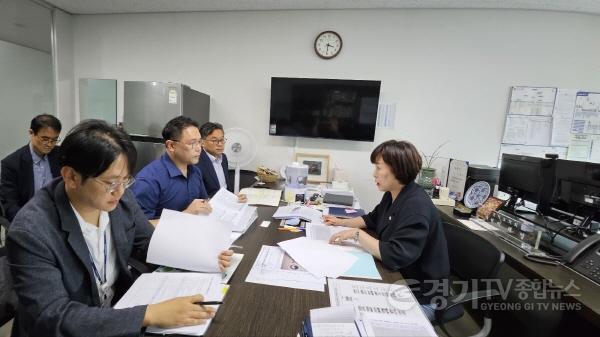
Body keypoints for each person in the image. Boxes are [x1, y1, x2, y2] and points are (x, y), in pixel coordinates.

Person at [6, 120, 232, 337]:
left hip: (117, 308)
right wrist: (149, 314)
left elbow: (148, 243)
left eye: (126, 180)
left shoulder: (118, 200)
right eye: (111, 182)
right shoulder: (31, 231)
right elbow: (54, 317)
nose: (121, 192)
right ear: (71, 177)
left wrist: (203, 257)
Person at [325, 140, 450, 320]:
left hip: (421, 297)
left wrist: (356, 234)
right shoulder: (394, 194)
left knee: (356, 316)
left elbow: (395, 255)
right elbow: (372, 219)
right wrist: (341, 222)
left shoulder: (416, 207)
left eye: (378, 167)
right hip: (400, 281)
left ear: (397, 169)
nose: (374, 174)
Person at [132, 117, 213, 224]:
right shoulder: (148, 180)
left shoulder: (195, 171)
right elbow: (138, 228)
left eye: (199, 142)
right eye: (192, 143)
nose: (199, 148)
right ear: (171, 146)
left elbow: (204, 201)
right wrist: (186, 215)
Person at [0, 114, 62, 222]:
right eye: (45, 139)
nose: (49, 144)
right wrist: (27, 224)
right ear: (31, 133)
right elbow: (10, 204)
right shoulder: (11, 164)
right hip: (29, 219)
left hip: (59, 217)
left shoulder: (61, 155)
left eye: (54, 140)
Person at [197, 122, 246, 202]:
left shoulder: (224, 158)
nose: (220, 144)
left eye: (222, 140)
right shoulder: (197, 161)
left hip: (227, 202)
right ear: (202, 142)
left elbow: (226, 187)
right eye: (214, 140)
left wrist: (234, 197)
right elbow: (199, 195)